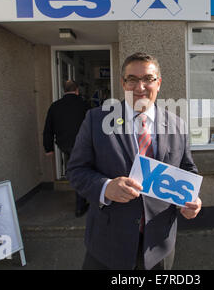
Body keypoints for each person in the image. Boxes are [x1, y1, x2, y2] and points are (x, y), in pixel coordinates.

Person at [66, 52, 202, 270]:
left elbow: (187, 169)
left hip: (159, 245)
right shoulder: (96, 119)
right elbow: (75, 171)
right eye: (132, 79)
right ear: (123, 83)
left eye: (148, 78)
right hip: (108, 244)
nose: (140, 87)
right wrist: (105, 187)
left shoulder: (178, 125)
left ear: (158, 82)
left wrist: (191, 198)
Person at [43, 80, 89, 217]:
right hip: (83, 144)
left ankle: (81, 200)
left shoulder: (55, 106)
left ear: (64, 90)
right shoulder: (84, 105)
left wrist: (48, 148)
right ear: (77, 90)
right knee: (82, 171)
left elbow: (48, 129)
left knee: (76, 170)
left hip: (65, 145)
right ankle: (80, 206)